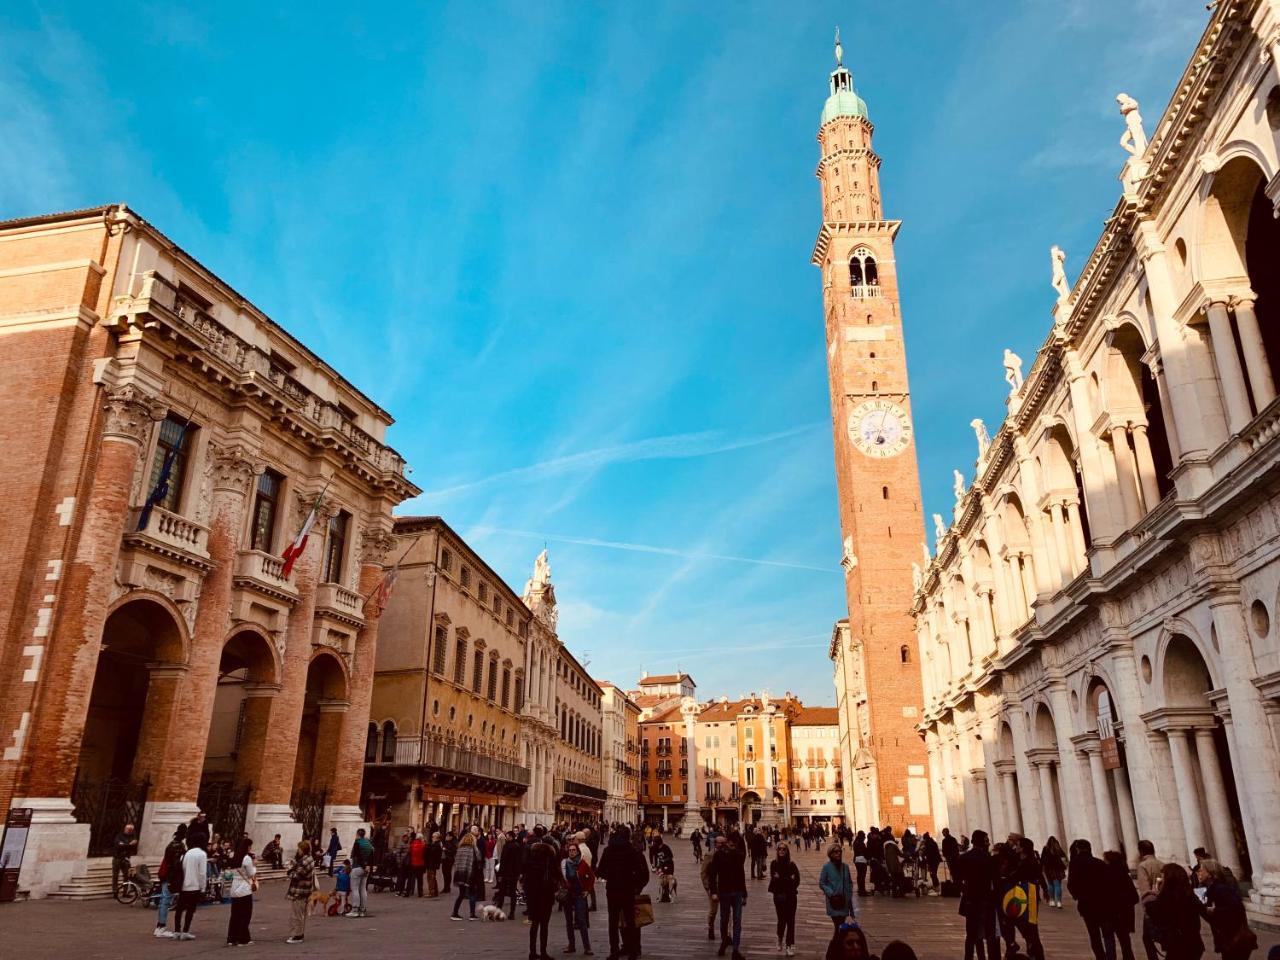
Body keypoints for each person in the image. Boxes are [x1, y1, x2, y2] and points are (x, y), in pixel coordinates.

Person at [596, 825, 649, 960]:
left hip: (613, 890)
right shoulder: (631, 851)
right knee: (630, 921)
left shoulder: (608, 850)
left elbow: (600, 870)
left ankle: (614, 951)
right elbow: (639, 871)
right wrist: (634, 885)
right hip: (628, 890)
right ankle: (632, 952)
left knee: (613, 922)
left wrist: (610, 876)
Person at [1146, 863, 1206, 960]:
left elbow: (1155, 915)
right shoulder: (1188, 894)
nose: (1161, 881)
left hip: (1178, 944)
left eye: (1162, 878)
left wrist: (1153, 896)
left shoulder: (1167, 898)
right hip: (1194, 944)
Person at [1201, 858, 1256, 960]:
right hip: (1227, 940)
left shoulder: (1221, 889)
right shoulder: (1212, 890)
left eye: (1202, 870)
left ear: (1210, 873)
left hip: (1234, 939)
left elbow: (1236, 908)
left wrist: (1214, 910)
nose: (1199, 873)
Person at [958, 829, 1000, 960]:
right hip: (986, 900)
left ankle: (970, 957)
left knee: (971, 935)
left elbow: (958, 880)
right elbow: (995, 880)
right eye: (986, 841)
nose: (988, 843)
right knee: (990, 934)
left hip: (971, 900)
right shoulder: (989, 859)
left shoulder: (964, 858)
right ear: (982, 842)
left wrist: (967, 891)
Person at [1069, 839, 1114, 960]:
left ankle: (1101, 957)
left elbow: (1071, 884)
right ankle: (1111, 957)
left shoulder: (1074, 864)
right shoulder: (1099, 863)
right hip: (1103, 903)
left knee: (1094, 935)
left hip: (1086, 905)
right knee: (1108, 934)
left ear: (1078, 849)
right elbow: (1109, 883)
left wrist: (1076, 895)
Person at [523, 827, 562, 960]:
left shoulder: (531, 858)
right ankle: (543, 952)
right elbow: (557, 875)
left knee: (534, 924)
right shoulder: (550, 859)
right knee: (544, 925)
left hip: (533, 895)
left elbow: (526, 878)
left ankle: (532, 952)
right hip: (546, 894)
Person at [709, 831, 749, 960]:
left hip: (737, 891)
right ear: (727, 843)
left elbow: (741, 873)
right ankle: (724, 940)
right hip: (724, 892)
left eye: (734, 845)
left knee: (737, 920)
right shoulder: (719, 855)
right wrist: (714, 892)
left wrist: (744, 893)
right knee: (724, 919)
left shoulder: (738, 855)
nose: (733, 847)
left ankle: (735, 950)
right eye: (731, 844)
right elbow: (712, 875)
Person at [1101, 849, 1140, 960]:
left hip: (1108, 914)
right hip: (1123, 914)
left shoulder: (1103, 876)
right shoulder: (1124, 876)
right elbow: (1134, 897)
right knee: (1125, 941)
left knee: (1108, 939)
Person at [562, 838, 596, 955]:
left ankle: (587, 947)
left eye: (573, 850)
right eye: (570, 850)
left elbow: (591, 877)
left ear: (577, 851)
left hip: (579, 894)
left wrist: (587, 890)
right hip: (568, 895)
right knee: (568, 921)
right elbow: (560, 878)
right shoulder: (564, 863)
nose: (571, 852)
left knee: (581, 920)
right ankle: (571, 945)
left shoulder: (582, 863)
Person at [154, 823, 187, 939]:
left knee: (165, 899)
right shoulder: (178, 846)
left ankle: (160, 926)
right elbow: (176, 863)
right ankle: (161, 927)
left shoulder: (171, 844)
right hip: (171, 875)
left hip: (167, 874)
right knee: (165, 900)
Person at [769, 841, 801, 957]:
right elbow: (775, 880)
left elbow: (797, 880)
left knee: (791, 921)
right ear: (777, 851)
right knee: (782, 919)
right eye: (780, 849)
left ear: (787, 852)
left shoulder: (792, 865)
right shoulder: (774, 864)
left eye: (784, 849)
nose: (782, 851)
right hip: (779, 897)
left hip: (791, 896)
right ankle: (779, 937)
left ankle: (789, 945)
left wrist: (782, 879)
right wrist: (788, 879)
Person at [173, 836, 208, 941]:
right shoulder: (202, 854)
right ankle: (185, 931)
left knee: (179, 909)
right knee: (190, 910)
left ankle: (177, 931)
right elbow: (202, 873)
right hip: (195, 885)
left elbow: (182, 867)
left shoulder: (187, 853)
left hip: (184, 884)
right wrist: (203, 887)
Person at [1135, 840, 1165, 960]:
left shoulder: (1143, 866)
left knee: (1147, 938)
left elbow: (1144, 889)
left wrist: (1146, 907)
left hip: (1151, 904)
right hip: (1163, 902)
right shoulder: (1161, 864)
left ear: (1141, 852)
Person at [226, 837, 257, 946]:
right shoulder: (246, 858)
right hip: (244, 889)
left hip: (235, 887)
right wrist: (255, 866)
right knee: (245, 915)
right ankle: (243, 938)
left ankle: (232, 938)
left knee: (235, 915)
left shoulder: (234, 857)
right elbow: (250, 874)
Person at [819, 843, 856, 932]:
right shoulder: (826, 867)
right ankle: (836, 944)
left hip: (845, 902)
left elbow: (849, 882)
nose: (838, 853)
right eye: (835, 852)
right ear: (831, 854)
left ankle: (837, 944)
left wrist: (849, 892)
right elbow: (821, 883)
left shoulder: (845, 867)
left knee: (841, 928)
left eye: (840, 851)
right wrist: (831, 893)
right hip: (834, 902)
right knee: (838, 926)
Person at [285, 840, 315, 944]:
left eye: (299, 848)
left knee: (296, 913)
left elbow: (296, 876)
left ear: (303, 849)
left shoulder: (304, 861)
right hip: (306, 890)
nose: (298, 850)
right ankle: (300, 933)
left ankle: (297, 935)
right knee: (301, 914)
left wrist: (289, 869)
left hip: (299, 890)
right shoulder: (310, 859)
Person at [449, 831, 481, 920]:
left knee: (461, 894)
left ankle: (454, 913)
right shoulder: (473, 849)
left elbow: (456, 862)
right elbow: (478, 859)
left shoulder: (460, 849)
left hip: (460, 874)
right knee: (472, 893)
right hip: (470, 874)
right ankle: (472, 914)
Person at [346, 827, 374, 918]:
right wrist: (368, 866)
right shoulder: (368, 843)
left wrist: (363, 866)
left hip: (357, 867)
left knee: (355, 889)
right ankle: (362, 910)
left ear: (358, 834)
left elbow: (357, 856)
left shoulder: (357, 843)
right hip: (366, 869)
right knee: (363, 889)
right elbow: (372, 855)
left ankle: (355, 910)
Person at [702, 835, 724, 942]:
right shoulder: (709, 855)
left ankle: (727, 934)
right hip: (713, 887)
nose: (721, 845)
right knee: (713, 911)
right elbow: (703, 873)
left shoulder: (727, 855)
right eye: (719, 843)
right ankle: (711, 927)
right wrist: (708, 888)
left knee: (727, 911)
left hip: (725, 887)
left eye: (723, 843)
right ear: (715, 843)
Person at [495, 830, 523, 912]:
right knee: (513, 893)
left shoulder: (507, 846)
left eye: (507, 836)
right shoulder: (517, 846)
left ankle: (499, 910)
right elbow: (518, 861)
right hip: (514, 874)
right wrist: (519, 873)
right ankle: (512, 912)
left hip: (505, 873)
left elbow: (503, 861)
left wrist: (500, 874)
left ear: (510, 837)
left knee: (502, 892)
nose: (506, 838)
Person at [1040, 837, 1067, 909]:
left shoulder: (1045, 849)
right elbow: (1065, 858)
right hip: (1058, 869)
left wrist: (1041, 868)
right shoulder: (1058, 849)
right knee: (1058, 885)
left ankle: (1052, 900)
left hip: (1048, 869)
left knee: (1050, 884)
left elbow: (1042, 859)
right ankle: (1059, 902)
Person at [112, 823, 137, 896]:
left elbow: (134, 847)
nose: (129, 831)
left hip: (126, 858)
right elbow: (118, 845)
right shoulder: (119, 836)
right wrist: (129, 844)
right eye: (128, 829)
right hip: (117, 858)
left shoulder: (133, 836)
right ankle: (115, 891)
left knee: (127, 876)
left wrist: (125, 845)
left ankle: (125, 892)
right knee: (115, 875)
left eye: (130, 830)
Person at [654, 836, 675, 903]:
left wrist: (664, 860)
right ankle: (664, 896)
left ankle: (668, 897)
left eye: (655, 842)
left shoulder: (666, 847)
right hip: (662, 866)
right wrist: (656, 866)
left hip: (669, 866)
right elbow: (655, 857)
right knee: (663, 881)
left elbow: (671, 856)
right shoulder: (656, 848)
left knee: (668, 880)